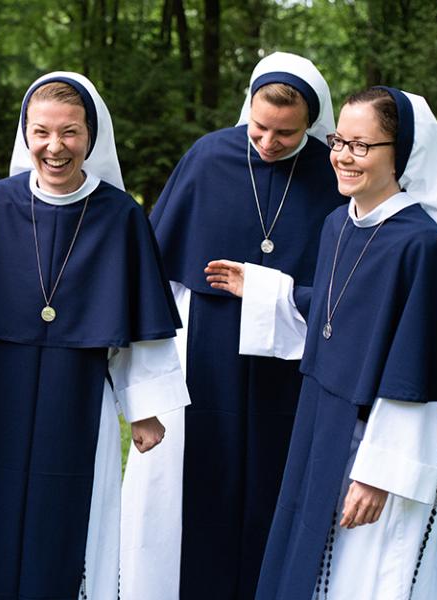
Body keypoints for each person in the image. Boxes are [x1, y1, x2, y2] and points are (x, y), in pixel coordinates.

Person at [0, 71, 189, 600]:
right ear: (25, 134)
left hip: (79, 392)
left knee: (70, 515)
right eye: (42, 132)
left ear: (91, 137)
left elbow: (139, 324)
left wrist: (143, 408)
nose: (55, 147)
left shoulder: (121, 217)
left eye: (70, 132)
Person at [207, 87, 437, 600]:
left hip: (373, 449)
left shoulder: (424, 246)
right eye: (340, 140)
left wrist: (381, 474)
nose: (341, 155)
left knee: (365, 575)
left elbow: (423, 370)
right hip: (320, 429)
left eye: (362, 146)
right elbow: (334, 317)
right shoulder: (337, 225)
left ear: (401, 152)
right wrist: (264, 287)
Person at [143, 52, 346, 599]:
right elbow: (158, 259)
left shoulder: (333, 172)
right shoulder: (209, 156)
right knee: (208, 477)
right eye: (259, 128)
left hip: (295, 350)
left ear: (312, 122)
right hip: (211, 342)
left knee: (277, 480)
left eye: (286, 133)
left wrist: (269, 288)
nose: (268, 143)